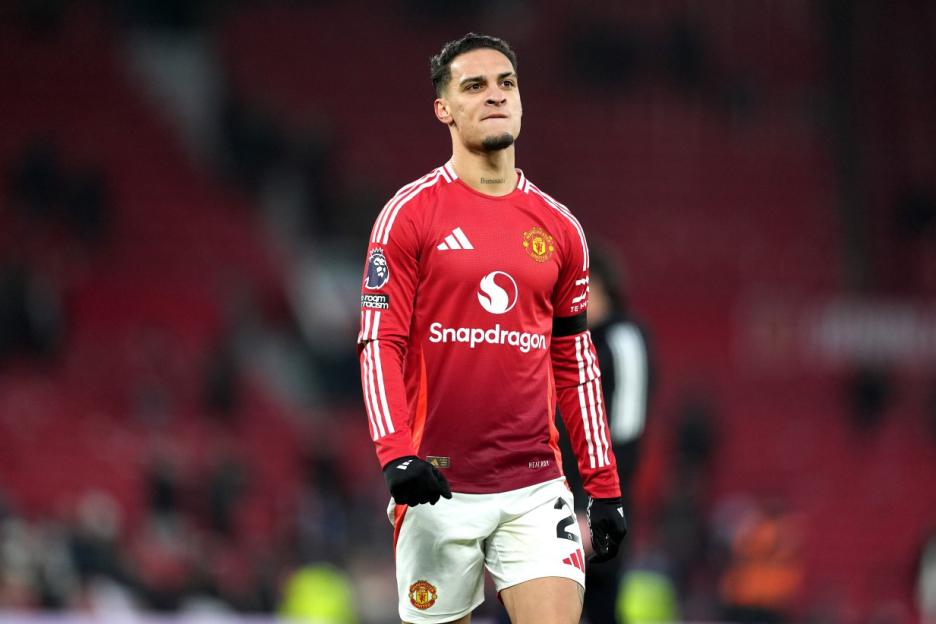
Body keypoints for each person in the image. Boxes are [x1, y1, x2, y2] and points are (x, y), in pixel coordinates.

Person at [356, 33, 627, 624]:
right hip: (436, 484)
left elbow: (574, 361)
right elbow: (380, 342)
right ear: (444, 109)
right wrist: (396, 455)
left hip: (534, 485)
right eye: (474, 86)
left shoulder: (560, 229)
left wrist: (602, 486)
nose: (495, 96)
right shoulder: (409, 215)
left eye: (506, 83)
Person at [557, 247, 655, 623]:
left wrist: (595, 504)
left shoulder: (623, 338)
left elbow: (627, 431)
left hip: (596, 505)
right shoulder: (571, 343)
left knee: (596, 603)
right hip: (555, 499)